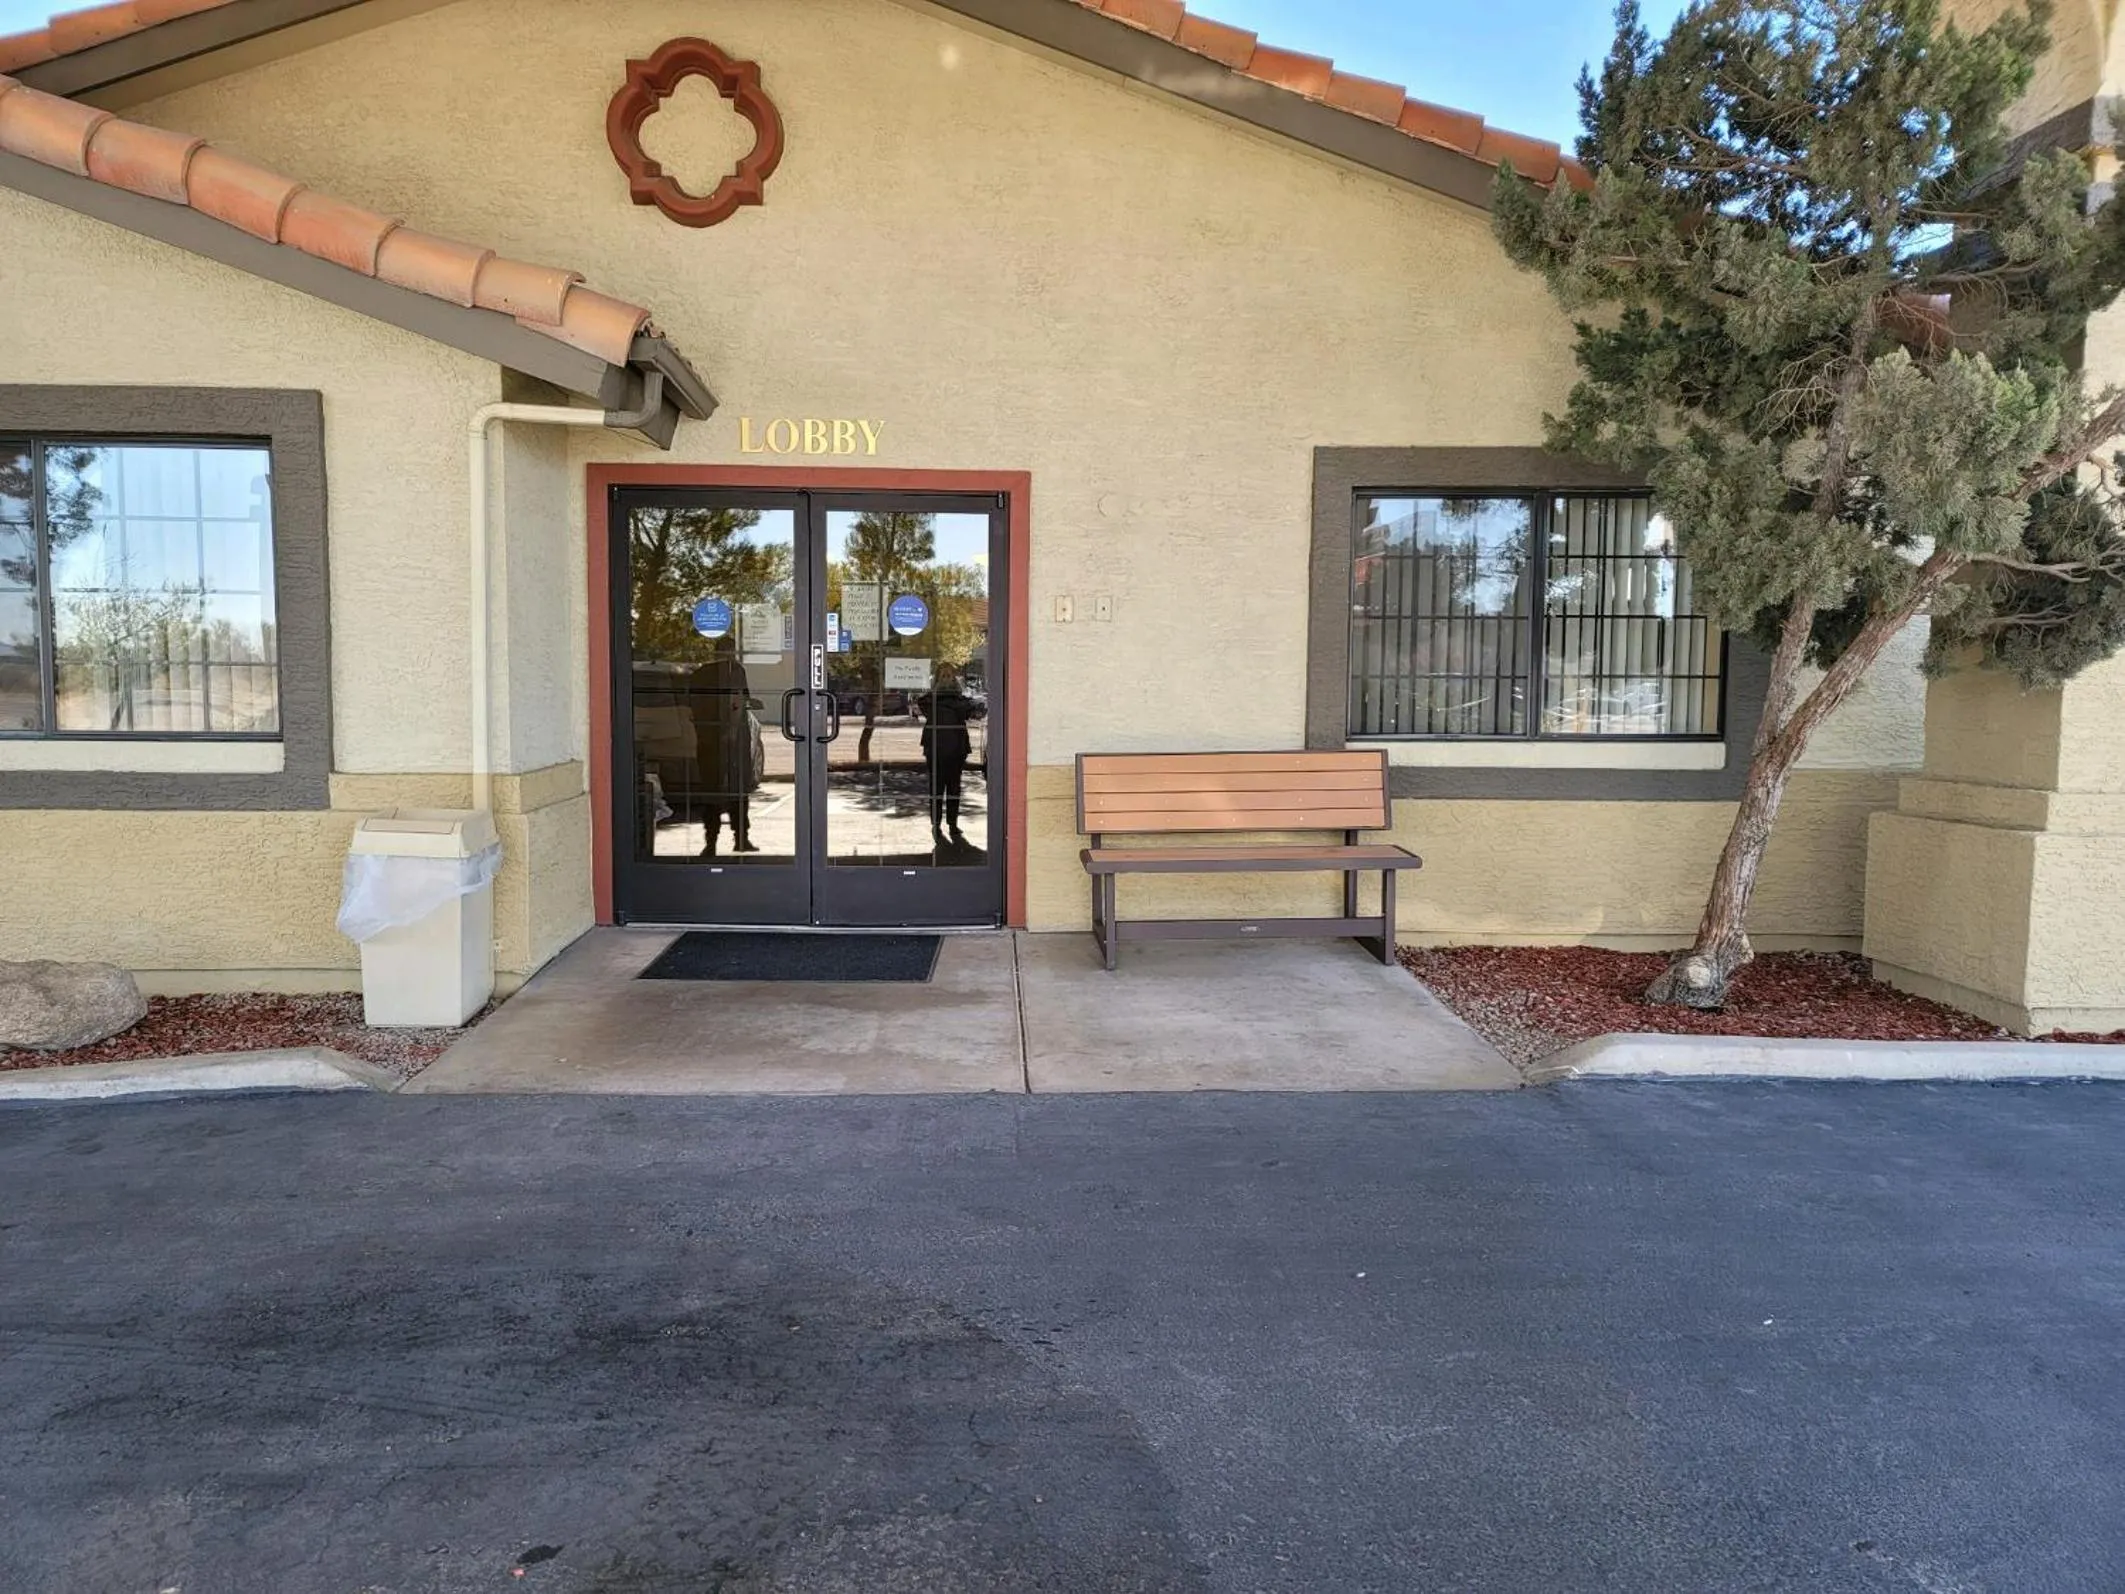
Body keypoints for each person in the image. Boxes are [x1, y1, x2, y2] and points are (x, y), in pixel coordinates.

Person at [689, 636, 758, 856]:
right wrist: (731, 731)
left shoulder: (700, 674)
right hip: (731, 741)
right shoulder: (735, 671)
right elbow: (737, 702)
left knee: (711, 792)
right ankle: (740, 839)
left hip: (706, 740)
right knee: (737, 790)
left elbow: (692, 707)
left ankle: (711, 843)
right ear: (731, 652)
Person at [917, 662, 987, 850]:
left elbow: (971, 710)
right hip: (936, 748)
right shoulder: (930, 699)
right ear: (937, 679)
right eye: (943, 676)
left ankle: (952, 823)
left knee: (954, 787)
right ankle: (936, 823)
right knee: (936, 787)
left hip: (956, 748)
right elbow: (924, 703)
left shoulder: (961, 700)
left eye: (950, 676)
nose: (947, 679)